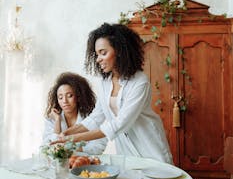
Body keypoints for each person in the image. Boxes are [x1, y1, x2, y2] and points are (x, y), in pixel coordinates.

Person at [53, 24, 173, 163]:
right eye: (97, 54)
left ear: (119, 51)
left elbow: (119, 124)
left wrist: (73, 139)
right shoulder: (105, 83)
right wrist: (68, 132)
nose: (98, 59)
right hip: (126, 151)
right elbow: (96, 118)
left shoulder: (140, 82)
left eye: (103, 53)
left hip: (150, 149)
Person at [43, 72, 107, 155]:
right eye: (60, 97)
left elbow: (98, 147)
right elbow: (47, 147)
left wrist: (68, 148)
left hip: (86, 164)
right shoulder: (52, 119)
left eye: (69, 96)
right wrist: (57, 121)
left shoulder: (91, 118)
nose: (64, 101)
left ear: (78, 97)